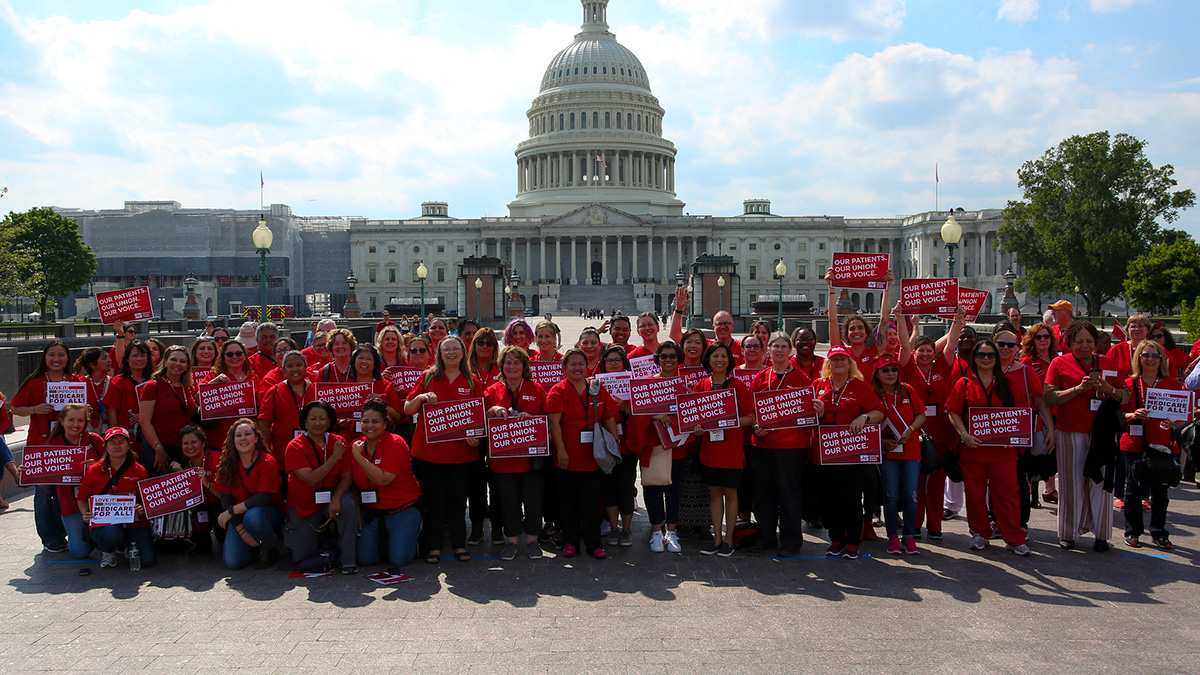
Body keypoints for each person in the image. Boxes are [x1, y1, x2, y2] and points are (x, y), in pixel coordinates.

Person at [1043, 321, 1128, 552]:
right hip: (1070, 431)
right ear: (1069, 343)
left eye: (1089, 341)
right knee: (1072, 484)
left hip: (1102, 433)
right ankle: (1068, 533)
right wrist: (1078, 389)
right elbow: (1050, 397)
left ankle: (1101, 534)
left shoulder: (1109, 363)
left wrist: (1108, 389)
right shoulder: (1059, 363)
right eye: (1079, 341)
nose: (1084, 346)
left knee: (1101, 484)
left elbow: (1125, 396)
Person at [947, 340, 1034, 556]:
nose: (985, 359)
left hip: (1003, 452)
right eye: (980, 355)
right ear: (974, 358)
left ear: (996, 359)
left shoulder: (1007, 384)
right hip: (972, 450)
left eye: (990, 355)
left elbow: (1022, 412)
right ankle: (980, 532)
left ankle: (1013, 537)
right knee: (975, 496)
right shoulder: (965, 383)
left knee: (1008, 495)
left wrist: (1013, 436)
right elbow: (953, 411)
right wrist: (963, 434)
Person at [404, 335, 479, 563]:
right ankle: (433, 545)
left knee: (458, 500)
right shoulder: (427, 378)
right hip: (430, 453)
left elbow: (479, 415)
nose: (451, 353)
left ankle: (459, 544)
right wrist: (421, 397)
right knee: (434, 501)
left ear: (463, 352)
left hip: (461, 454)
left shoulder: (473, 381)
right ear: (439, 353)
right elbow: (407, 408)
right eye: (446, 349)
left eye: (455, 349)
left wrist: (475, 434)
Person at [547, 348, 620, 559]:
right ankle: (570, 541)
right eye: (572, 364)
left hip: (594, 457)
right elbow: (554, 424)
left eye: (581, 363)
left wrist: (614, 442)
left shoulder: (596, 388)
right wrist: (561, 450)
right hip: (567, 457)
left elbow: (609, 416)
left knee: (591, 502)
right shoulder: (558, 391)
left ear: (586, 366)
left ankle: (593, 543)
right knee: (568, 502)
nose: (578, 367)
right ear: (564, 368)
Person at [747, 333, 815, 556]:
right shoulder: (761, 378)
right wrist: (755, 426)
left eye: (783, 346)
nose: (778, 350)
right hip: (763, 445)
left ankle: (791, 541)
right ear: (769, 350)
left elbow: (807, 415)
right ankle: (766, 537)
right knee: (763, 494)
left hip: (791, 447)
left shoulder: (802, 380)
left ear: (790, 351)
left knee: (789, 495)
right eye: (775, 346)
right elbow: (752, 411)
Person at [898, 306, 963, 539]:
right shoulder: (907, 371)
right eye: (921, 351)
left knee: (936, 484)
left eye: (928, 351)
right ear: (914, 354)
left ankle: (935, 527)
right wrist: (900, 318)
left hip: (942, 435)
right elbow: (904, 346)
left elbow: (952, 343)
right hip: (916, 434)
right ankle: (914, 525)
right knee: (915, 485)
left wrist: (957, 320)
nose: (925, 354)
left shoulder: (942, 367)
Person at [813, 346, 884, 559]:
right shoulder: (819, 385)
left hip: (852, 453)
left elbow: (879, 412)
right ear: (828, 364)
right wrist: (820, 413)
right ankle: (836, 538)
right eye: (834, 360)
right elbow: (807, 416)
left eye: (843, 359)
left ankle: (853, 541)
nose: (838, 363)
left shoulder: (860, 387)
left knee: (851, 497)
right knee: (830, 498)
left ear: (849, 363)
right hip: (825, 452)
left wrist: (864, 417)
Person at [11, 340, 78, 552]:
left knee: (65, 491)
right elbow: (16, 409)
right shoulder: (34, 382)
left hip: (68, 447)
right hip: (41, 446)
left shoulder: (75, 381)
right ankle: (49, 537)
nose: (56, 359)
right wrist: (34, 409)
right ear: (44, 357)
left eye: (61, 355)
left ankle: (64, 533)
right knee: (43, 493)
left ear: (68, 358)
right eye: (52, 355)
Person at [484, 346, 549, 560]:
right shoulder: (492, 391)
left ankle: (532, 540)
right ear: (501, 366)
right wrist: (492, 411)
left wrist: (531, 419)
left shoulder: (536, 388)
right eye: (508, 362)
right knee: (508, 501)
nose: (512, 366)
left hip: (531, 460)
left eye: (517, 362)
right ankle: (511, 540)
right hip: (503, 461)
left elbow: (546, 419)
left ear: (524, 367)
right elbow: (480, 420)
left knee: (533, 500)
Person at [690, 342, 754, 557]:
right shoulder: (701, 385)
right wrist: (697, 427)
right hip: (709, 451)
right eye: (715, 356)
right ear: (708, 359)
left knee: (731, 494)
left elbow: (750, 418)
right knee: (715, 494)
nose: (720, 360)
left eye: (724, 356)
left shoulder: (738, 386)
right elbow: (694, 419)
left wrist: (726, 421)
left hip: (731, 451)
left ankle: (729, 539)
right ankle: (717, 538)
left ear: (730, 360)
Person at [1120, 340, 1182, 549]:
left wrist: (1174, 422)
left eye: (1155, 356)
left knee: (1160, 493)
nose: (1150, 360)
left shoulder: (1172, 383)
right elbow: (1119, 415)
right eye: (1146, 355)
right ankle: (1133, 532)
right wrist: (1132, 415)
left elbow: (1181, 417)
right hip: (1134, 443)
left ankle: (1159, 532)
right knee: (1134, 490)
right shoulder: (1129, 384)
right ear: (1139, 358)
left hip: (1162, 444)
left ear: (1162, 359)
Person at [284, 400, 359, 573]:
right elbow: (311, 480)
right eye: (313, 418)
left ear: (329, 421)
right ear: (305, 421)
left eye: (322, 418)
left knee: (348, 506)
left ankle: (348, 560)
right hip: (305, 501)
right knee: (301, 558)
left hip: (332, 496)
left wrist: (337, 498)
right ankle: (323, 540)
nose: (317, 423)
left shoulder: (338, 442)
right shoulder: (295, 446)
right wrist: (334, 457)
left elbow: (346, 477)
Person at [995, 327, 1057, 531]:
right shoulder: (985, 368)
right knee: (995, 483)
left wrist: (1050, 430)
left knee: (1018, 481)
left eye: (1010, 345)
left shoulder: (1025, 371)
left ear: (1018, 348)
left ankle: (1020, 523)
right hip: (993, 435)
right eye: (1001, 344)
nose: (1005, 348)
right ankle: (996, 520)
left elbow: (1039, 402)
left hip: (1019, 436)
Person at [349, 399, 422, 568]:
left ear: (385, 423)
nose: (370, 426)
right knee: (365, 560)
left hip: (402, 509)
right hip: (372, 511)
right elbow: (350, 481)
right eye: (365, 421)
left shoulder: (396, 442)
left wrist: (359, 457)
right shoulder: (356, 445)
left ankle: (413, 539)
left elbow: (382, 479)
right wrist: (357, 511)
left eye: (375, 421)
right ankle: (386, 542)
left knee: (399, 560)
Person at [77, 427, 155, 569]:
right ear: (105, 447)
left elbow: (148, 500)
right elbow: (82, 498)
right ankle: (108, 550)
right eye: (112, 443)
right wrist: (85, 514)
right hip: (106, 524)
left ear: (128, 445)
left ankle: (126, 546)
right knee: (111, 534)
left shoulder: (140, 470)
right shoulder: (94, 470)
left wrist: (142, 509)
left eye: (121, 442)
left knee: (147, 561)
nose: (117, 446)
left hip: (134, 522)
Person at [871, 353, 925, 555]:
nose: (891, 373)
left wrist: (910, 430)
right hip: (888, 453)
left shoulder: (907, 391)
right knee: (891, 495)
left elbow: (921, 414)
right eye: (886, 370)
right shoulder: (874, 395)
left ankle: (909, 537)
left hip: (911, 452)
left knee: (911, 495)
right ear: (877, 374)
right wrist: (882, 442)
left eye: (894, 369)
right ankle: (892, 536)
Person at [213, 419, 285, 570]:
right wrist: (241, 530)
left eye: (247, 434)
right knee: (233, 562)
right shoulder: (227, 464)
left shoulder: (267, 461)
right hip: (241, 517)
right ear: (232, 440)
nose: (243, 438)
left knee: (254, 517)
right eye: (238, 435)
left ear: (256, 438)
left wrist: (231, 511)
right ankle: (253, 545)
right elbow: (226, 500)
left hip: (267, 512)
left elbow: (263, 498)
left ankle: (269, 548)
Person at [41, 404, 103, 559]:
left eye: (80, 420)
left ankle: (102, 539)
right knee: (79, 552)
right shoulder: (53, 445)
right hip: (70, 503)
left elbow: (115, 464)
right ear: (61, 421)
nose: (76, 425)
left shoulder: (93, 439)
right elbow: (44, 482)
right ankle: (91, 538)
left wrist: (96, 466)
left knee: (110, 537)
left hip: (98, 501)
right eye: (71, 420)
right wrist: (29, 474)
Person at [597, 345, 637, 547]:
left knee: (625, 486)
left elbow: (643, 415)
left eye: (617, 360)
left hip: (627, 445)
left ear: (624, 363)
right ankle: (614, 528)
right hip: (605, 445)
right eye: (608, 361)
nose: (612, 364)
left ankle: (627, 529)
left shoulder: (634, 384)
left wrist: (625, 408)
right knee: (609, 488)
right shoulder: (597, 385)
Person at [137, 345, 198, 476]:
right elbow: (144, 421)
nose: (178, 364)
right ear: (165, 362)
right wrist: (158, 449)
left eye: (182, 361)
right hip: (158, 449)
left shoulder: (187, 387)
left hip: (182, 449)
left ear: (187, 366)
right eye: (173, 360)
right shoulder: (153, 385)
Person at [827, 269, 894, 381]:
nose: (856, 331)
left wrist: (886, 288)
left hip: (870, 397)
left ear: (866, 332)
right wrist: (831, 288)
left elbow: (884, 321)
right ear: (846, 334)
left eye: (860, 328)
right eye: (852, 329)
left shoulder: (874, 351)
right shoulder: (843, 353)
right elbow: (833, 321)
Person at [258, 350, 318, 464]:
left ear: (306, 367)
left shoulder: (316, 391)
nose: (295, 369)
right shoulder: (274, 392)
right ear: (283, 370)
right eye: (289, 366)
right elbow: (263, 423)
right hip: (282, 456)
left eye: (299, 365)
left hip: (313, 454)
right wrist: (267, 451)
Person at [172, 425, 222, 556]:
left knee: (217, 518)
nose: (190, 447)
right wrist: (181, 476)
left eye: (194, 442)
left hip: (220, 506)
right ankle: (200, 541)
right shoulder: (182, 465)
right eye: (185, 443)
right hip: (198, 508)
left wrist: (206, 484)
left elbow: (225, 496)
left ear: (203, 443)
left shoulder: (218, 460)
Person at [205, 339, 262, 449]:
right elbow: (199, 399)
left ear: (245, 356)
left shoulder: (254, 378)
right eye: (229, 354)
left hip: (247, 442)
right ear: (223, 357)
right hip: (220, 442)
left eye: (239, 353)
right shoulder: (214, 375)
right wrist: (212, 384)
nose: (234, 357)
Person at [72, 346, 111, 434]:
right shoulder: (79, 383)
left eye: (109, 357)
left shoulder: (114, 382)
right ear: (92, 365)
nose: (110, 360)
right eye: (104, 358)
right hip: (85, 429)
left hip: (108, 429)